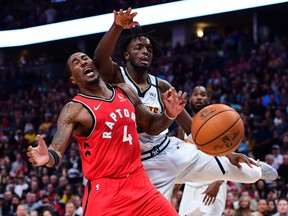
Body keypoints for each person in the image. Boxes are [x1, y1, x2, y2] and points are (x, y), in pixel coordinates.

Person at [93, 7, 278, 203]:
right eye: (138, 47)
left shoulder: (162, 85)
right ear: (127, 55)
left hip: (171, 151)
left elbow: (191, 127)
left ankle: (256, 169)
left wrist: (227, 152)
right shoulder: (116, 76)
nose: (145, 51)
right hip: (142, 166)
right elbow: (99, 59)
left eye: (149, 49)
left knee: (245, 172)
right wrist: (117, 26)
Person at [27, 51, 186, 215]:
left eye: (85, 58)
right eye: (76, 62)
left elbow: (152, 125)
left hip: (140, 184)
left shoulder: (125, 91)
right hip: (106, 193)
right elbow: (56, 150)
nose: (82, 62)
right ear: (73, 79)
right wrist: (47, 158)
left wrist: (169, 114)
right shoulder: (74, 109)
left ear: (94, 64)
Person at [178, 86, 228, 216]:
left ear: (209, 100)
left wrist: (218, 183)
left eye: (203, 95)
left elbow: (228, 157)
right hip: (190, 183)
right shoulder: (183, 127)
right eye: (195, 94)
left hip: (213, 182)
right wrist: (175, 188)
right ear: (190, 100)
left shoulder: (219, 124)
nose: (199, 97)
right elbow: (179, 157)